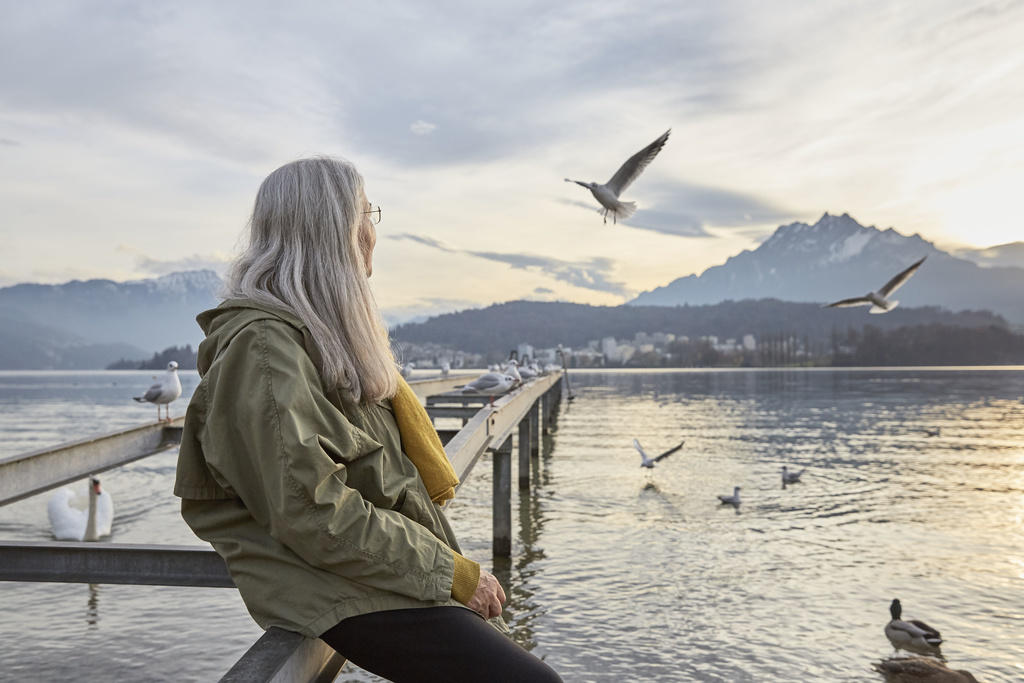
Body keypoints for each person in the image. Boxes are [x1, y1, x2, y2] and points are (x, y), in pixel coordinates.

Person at [173, 157, 561, 682]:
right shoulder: (263, 350)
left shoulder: (315, 337)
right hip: (330, 582)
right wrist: (451, 572)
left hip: (356, 567)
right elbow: (311, 511)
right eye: (366, 214)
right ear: (332, 231)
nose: (373, 232)